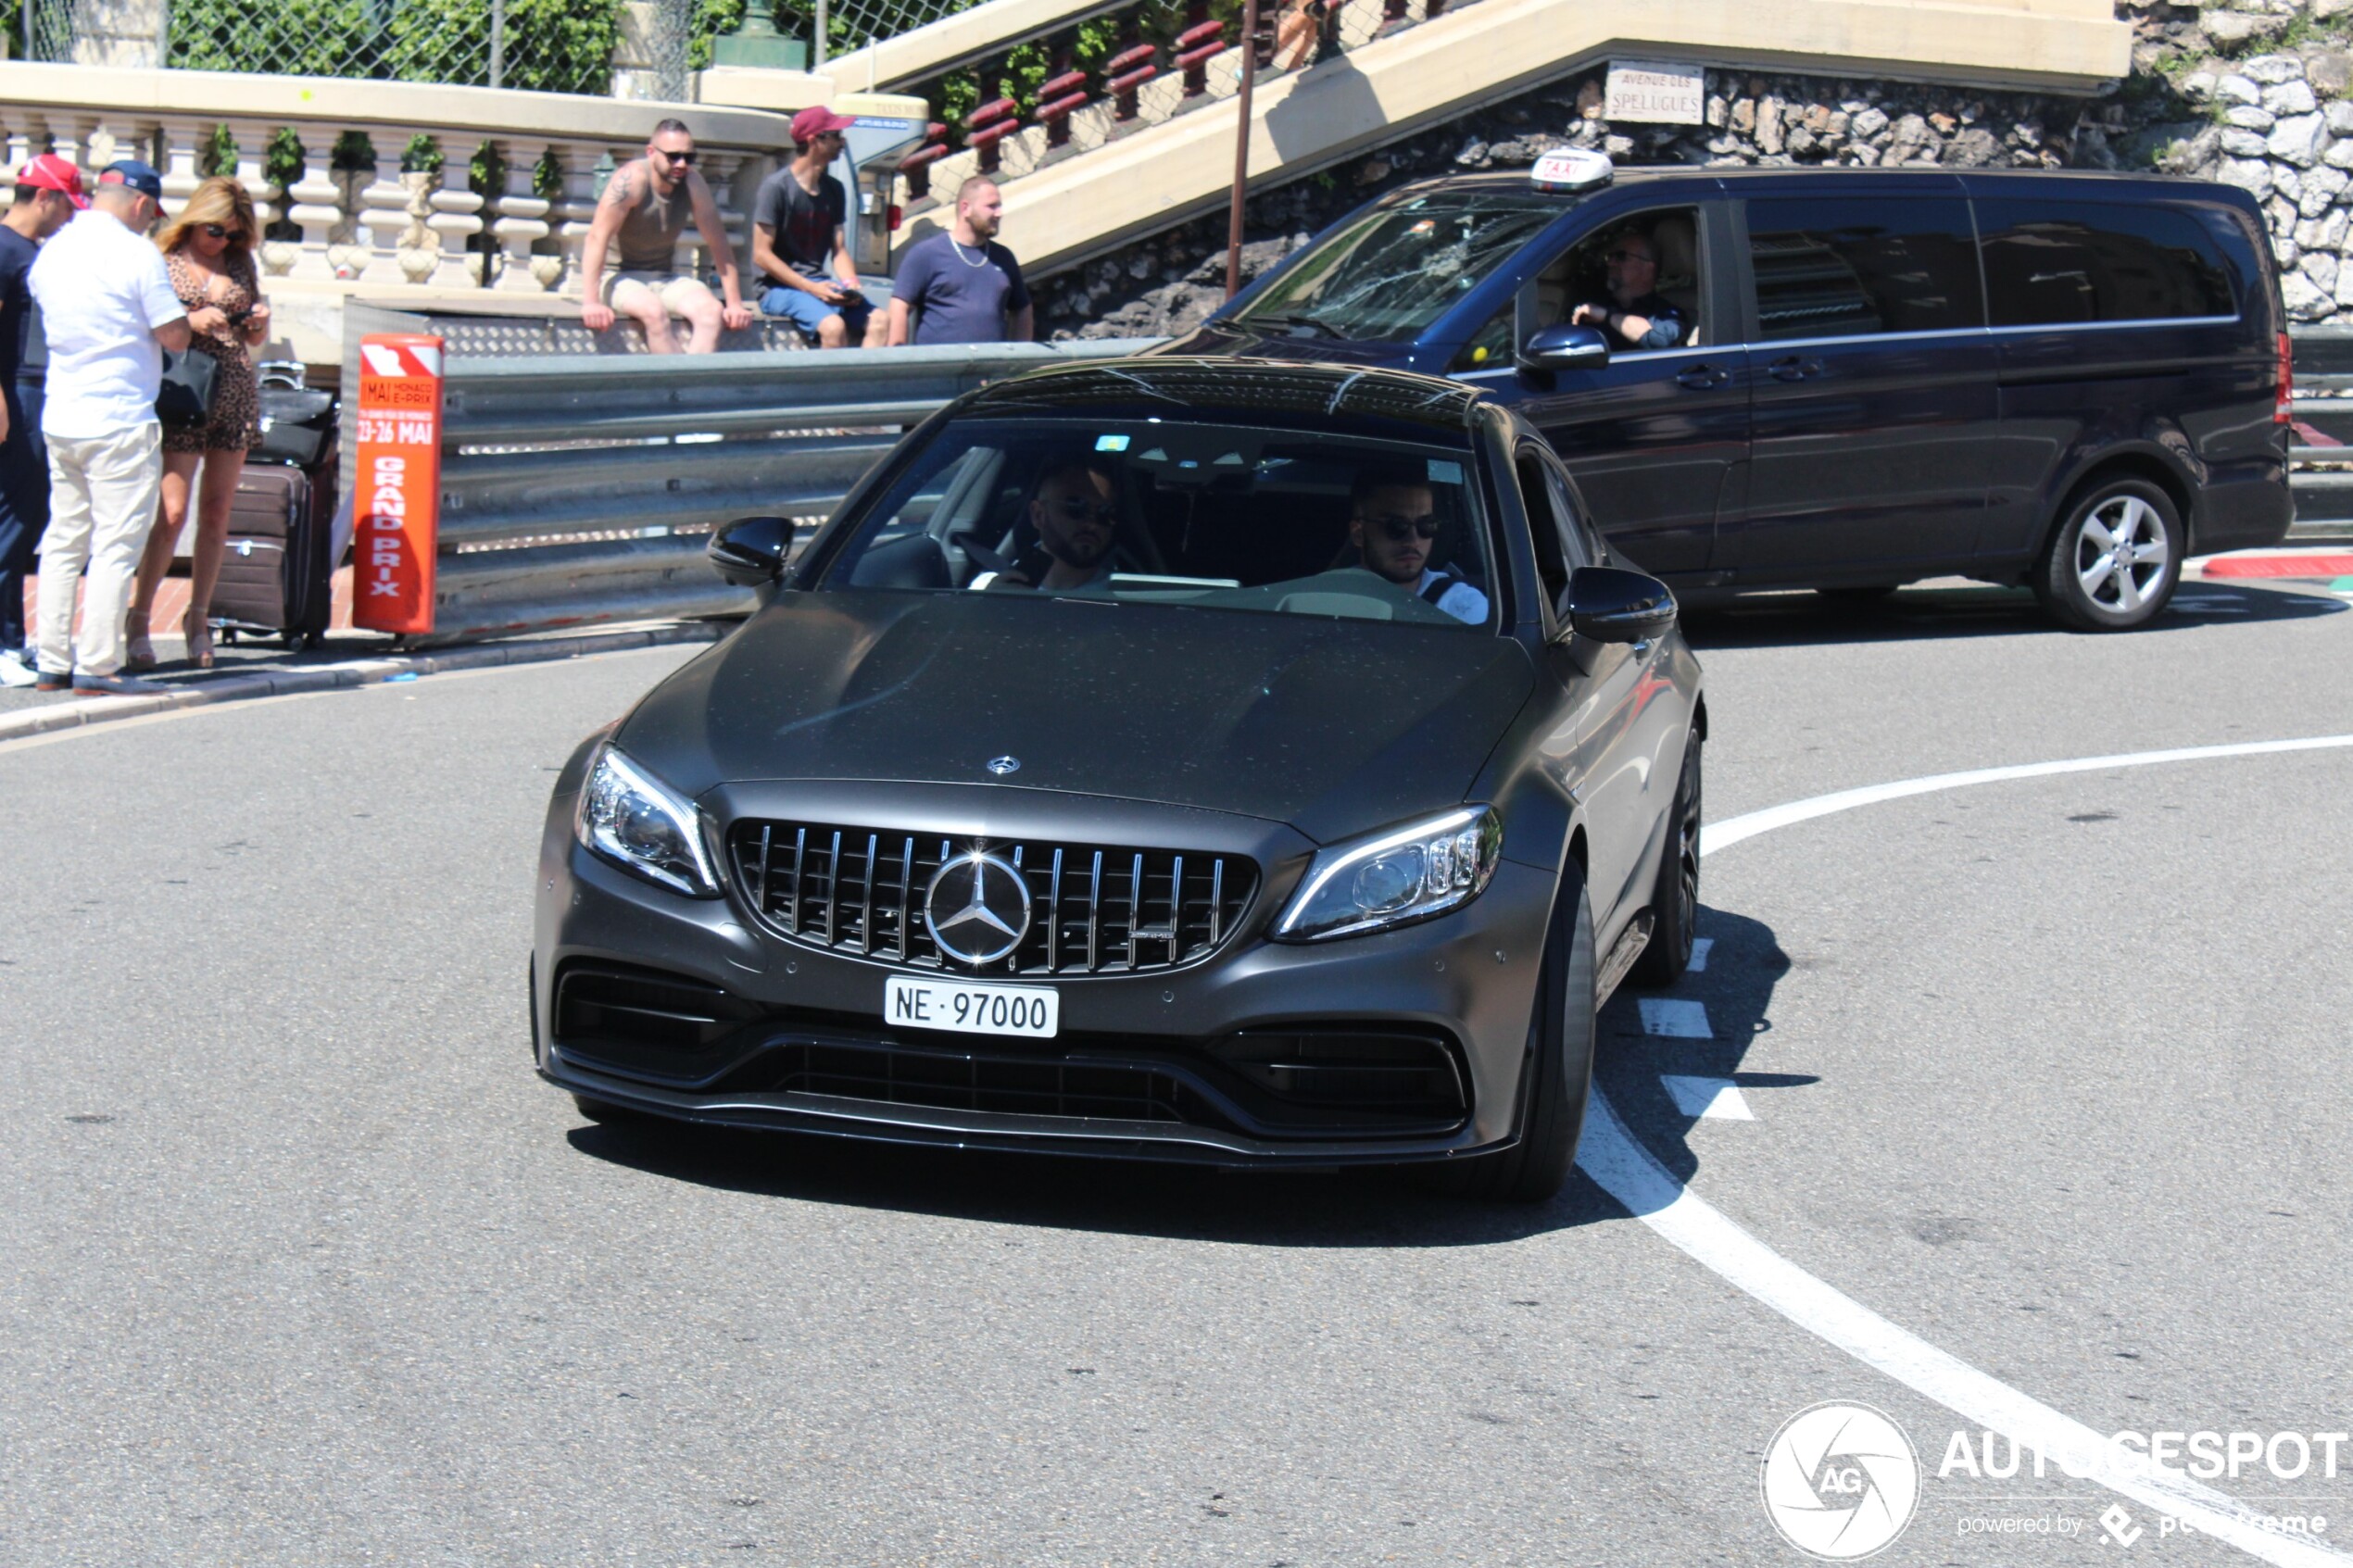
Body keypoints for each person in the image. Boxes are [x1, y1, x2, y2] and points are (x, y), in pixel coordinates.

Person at [26, 160, 188, 695]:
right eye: (150, 215)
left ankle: (51, 661)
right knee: (116, 545)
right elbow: (174, 336)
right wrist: (189, 321)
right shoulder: (136, 253)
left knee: (63, 540)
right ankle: (96, 665)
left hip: (63, 415)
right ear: (141, 205)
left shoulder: (54, 251)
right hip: (119, 417)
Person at [124, 176, 271, 671]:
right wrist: (191, 320)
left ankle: (199, 617)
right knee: (172, 511)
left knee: (218, 510)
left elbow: (252, 339)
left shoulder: (239, 263)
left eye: (232, 234)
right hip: (184, 390)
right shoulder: (161, 260)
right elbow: (142, 325)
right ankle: (139, 618)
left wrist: (259, 322)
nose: (222, 241)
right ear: (192, 221)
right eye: (214, 230)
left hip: (232, 388)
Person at [0, 155, 83, 689]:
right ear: (45, 197)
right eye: (66, 206)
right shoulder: (9, 250)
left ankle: (9, 639)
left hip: (30, 395)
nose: (68, 219)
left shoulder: (25, 251)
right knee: (16, 517)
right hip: (18, 398)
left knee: (21, 516)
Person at [577, 119, 753, 355]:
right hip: (617, 276)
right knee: (653, 312)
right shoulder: (631, 180)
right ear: (651, 152)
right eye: (673, 156)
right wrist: (591, 303)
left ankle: (692, 386)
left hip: (664, 277)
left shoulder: (693, 182)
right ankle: (676, 389)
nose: (681, 164)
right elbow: (596, 238)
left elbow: (719, 243)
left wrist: (734, 304)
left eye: (689, 158)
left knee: (712, 312)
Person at [751, 107, 884, 349]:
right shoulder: (776, 188)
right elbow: (761, 255)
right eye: (835, 135)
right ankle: (828, 388)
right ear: (814, 141)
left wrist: (850, 283)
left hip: (819, 284)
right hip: (778, 288)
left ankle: (860, 386)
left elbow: (839, 248)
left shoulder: (834, 189)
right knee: (833, 327)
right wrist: (810, 288)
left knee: (880, 321)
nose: (842, 142)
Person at [887, 180, 1033, 347]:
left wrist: (1020, 356)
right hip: (941, 368)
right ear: (966, 208)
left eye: (999, 206)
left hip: (991, 369)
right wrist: (899, 356)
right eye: (991, 206)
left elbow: (1022, 308)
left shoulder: (1004, 257)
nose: (999, 213)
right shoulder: (926, 254)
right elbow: (899, 306)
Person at [1346, 466, 1488, 624]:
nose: (1413, 540)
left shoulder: (1463, 608)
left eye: (1426, 525)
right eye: (1396, 526)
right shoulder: (1329, 596)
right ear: (1358, 534)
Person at [992, 460, 1119, 590]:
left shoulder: (1129, 599)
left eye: (1105, 513)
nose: (1092, 524)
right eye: (1076, 507)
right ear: (1038, 515)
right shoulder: (990, 587)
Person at [1568, 228, 1682, 351]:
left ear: (1648, 268)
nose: (1610, 263)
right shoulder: (1591, 304)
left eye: (1620, 256)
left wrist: (1608, 316)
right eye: (1610, 257)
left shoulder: (1666, 313)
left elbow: (1663, 342)